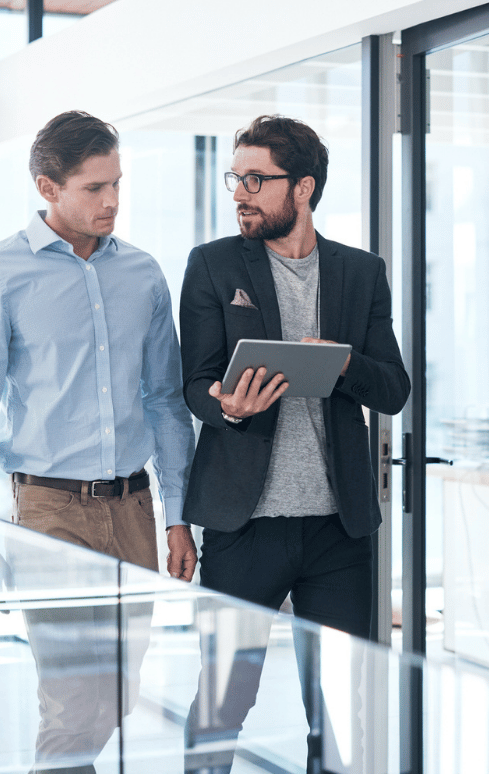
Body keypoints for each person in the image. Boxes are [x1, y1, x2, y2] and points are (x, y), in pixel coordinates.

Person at [0, 110, 197, 774]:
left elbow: (165, 400)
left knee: (118, 692)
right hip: (49, 513)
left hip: (134, 510)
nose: (111, 201)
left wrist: (178, 515)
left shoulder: (142, 274)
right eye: (93, 188)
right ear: (47, 187)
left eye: (117, 183)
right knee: (69, 697)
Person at [179, 115, 411, 772]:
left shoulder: (361, 273)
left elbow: (393, 387)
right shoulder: (214, 264)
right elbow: (194, 381)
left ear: (303, 187)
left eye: (257, 179)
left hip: (339, 533)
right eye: (236, 177)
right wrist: (225, 406)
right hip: (243, 525)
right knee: (224, 703)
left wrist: (340, 364)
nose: (240, 193)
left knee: (341, 709)